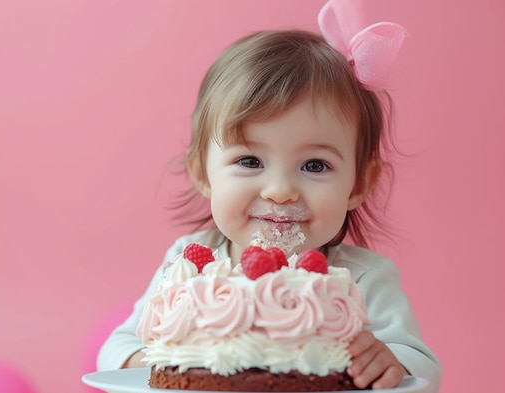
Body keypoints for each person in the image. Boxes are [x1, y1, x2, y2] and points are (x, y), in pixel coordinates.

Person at [97, 2, 441, 391]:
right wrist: (166, 361)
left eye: (314, 165)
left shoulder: (363, 279)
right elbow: (116, 347)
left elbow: (424, 368)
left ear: (359, 183)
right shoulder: (188, 264)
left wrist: (389, 359)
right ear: (202, 174)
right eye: (249, 160)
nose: (280, 191)